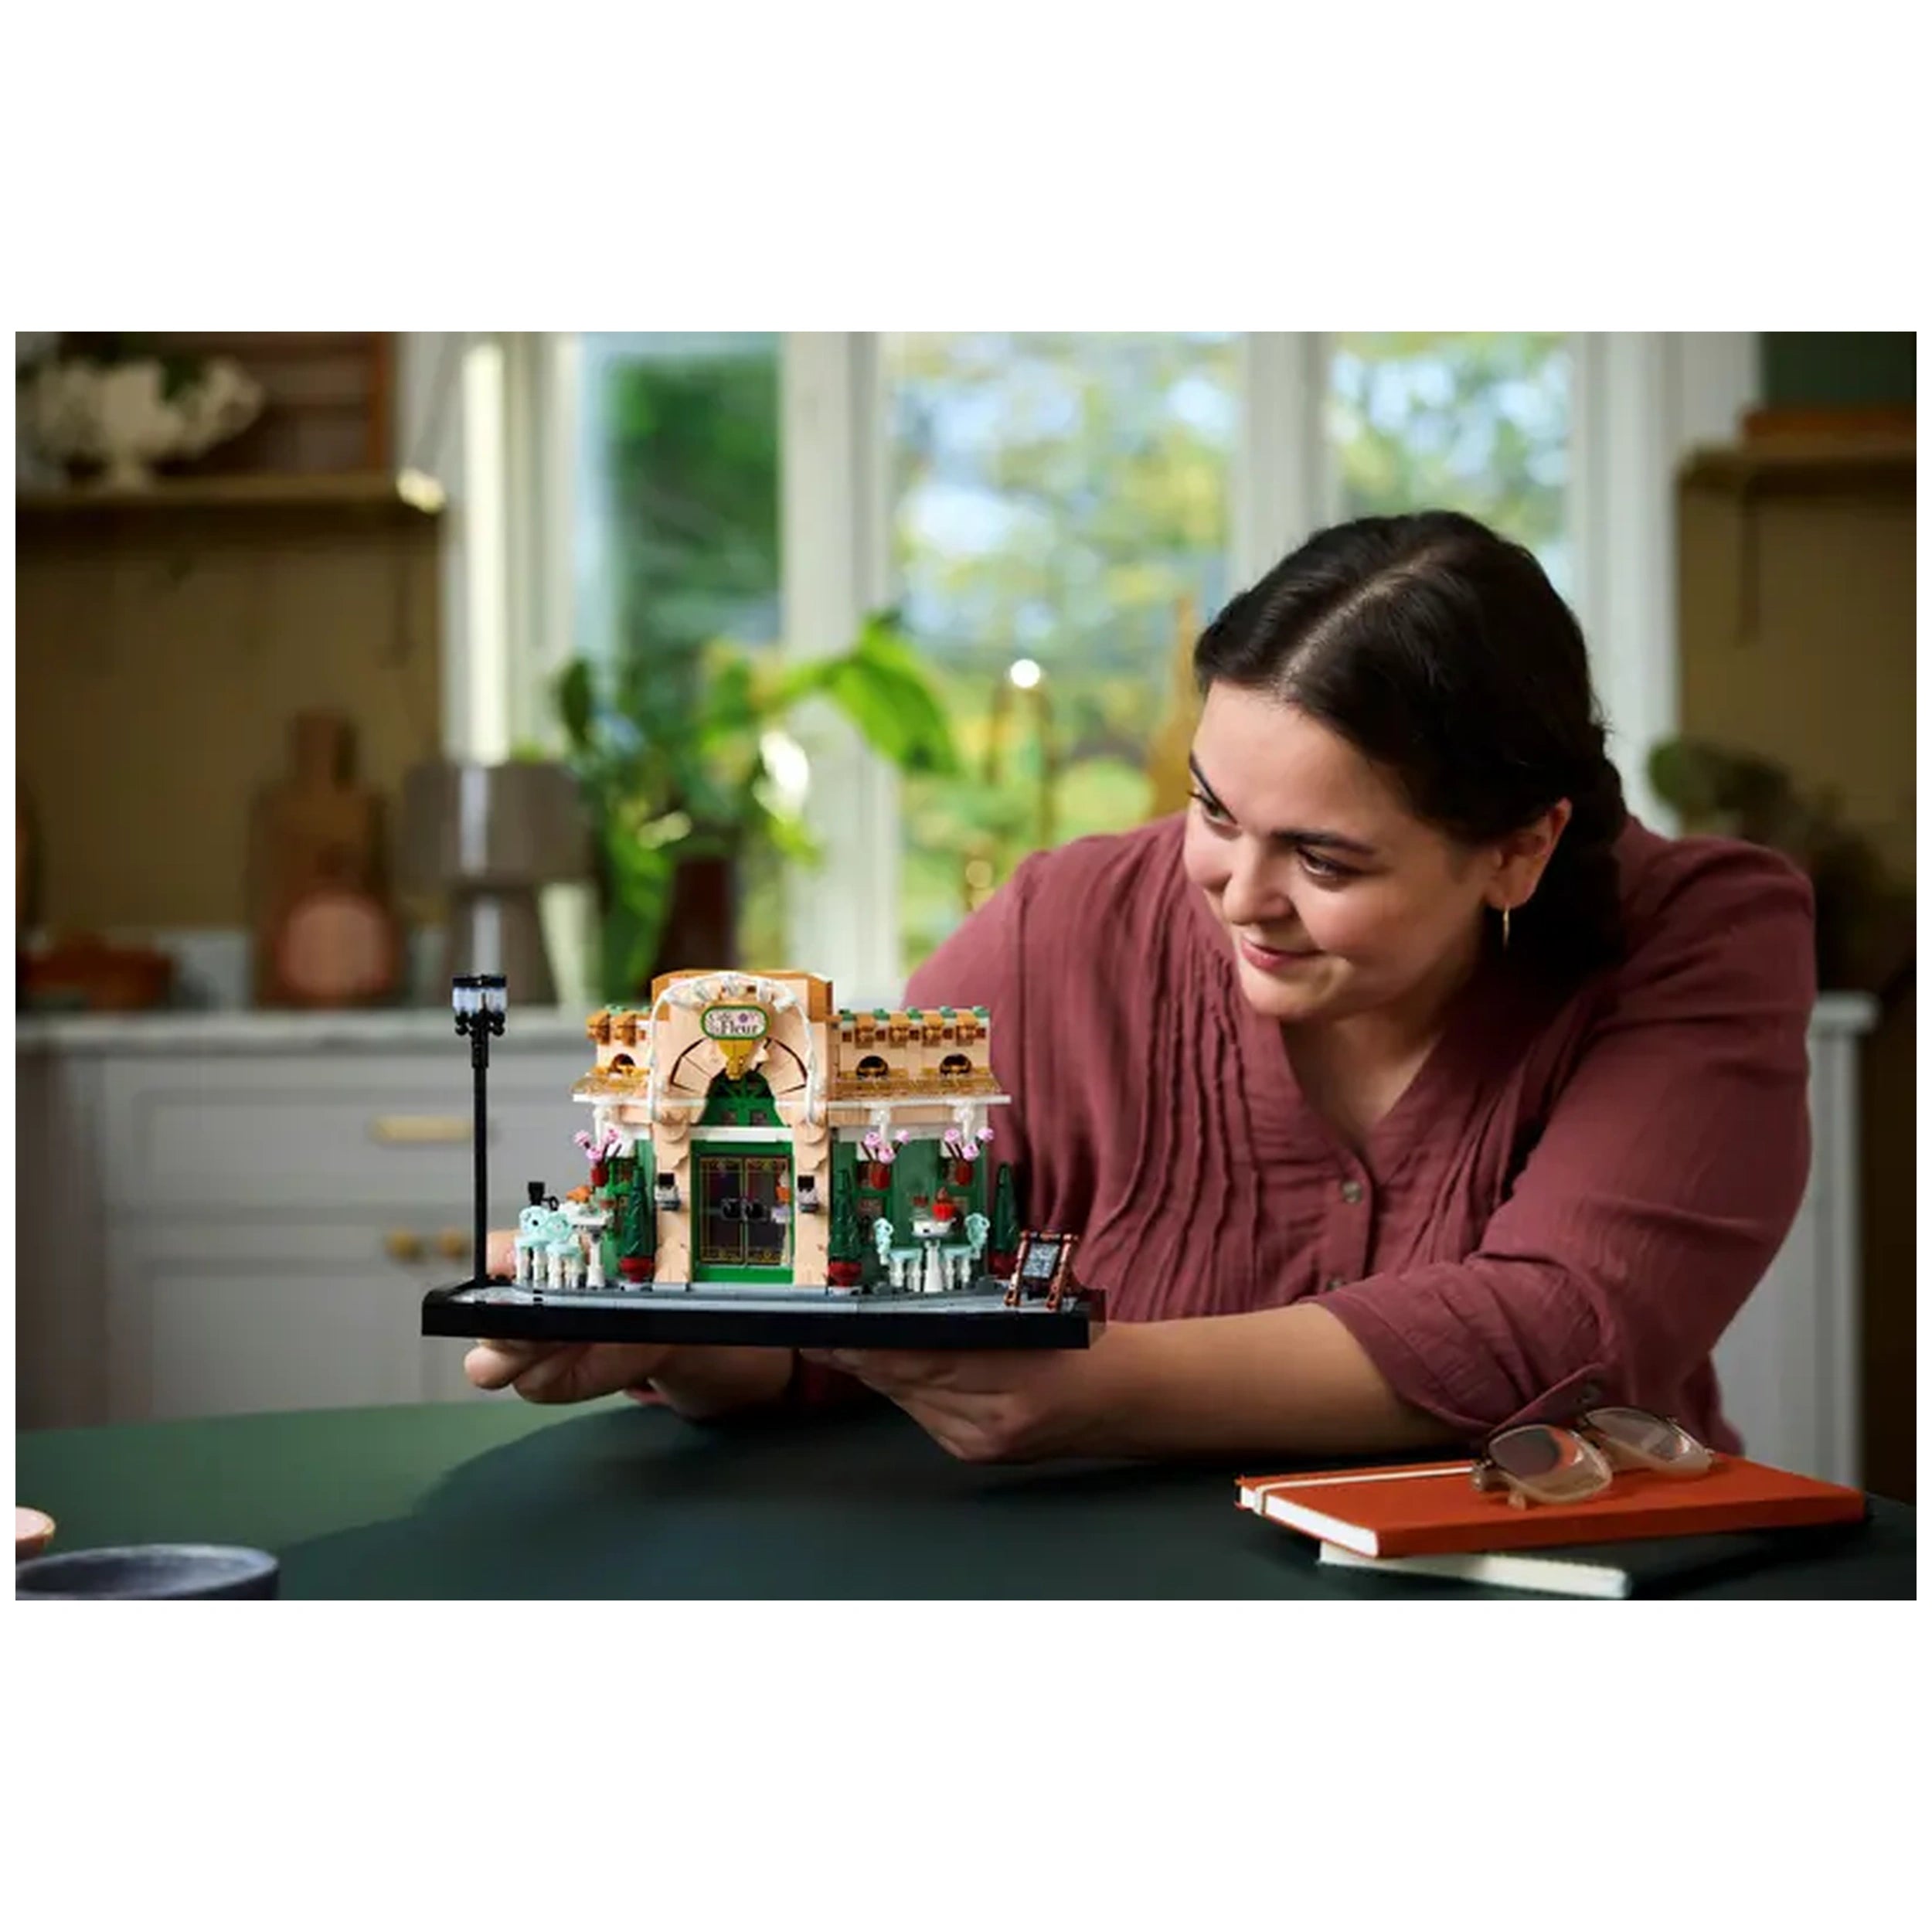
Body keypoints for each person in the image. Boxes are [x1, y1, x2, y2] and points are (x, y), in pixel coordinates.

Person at [468, 510, 1815, 1464]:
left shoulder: (1701, 934)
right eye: (1214, 812)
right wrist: (692, 1336)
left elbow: (1567, 1323)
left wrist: (1108, 1385)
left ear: (1519, 847)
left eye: (1324, 859)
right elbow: (853, 1264)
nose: (1238, 893)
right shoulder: (1063, 925)